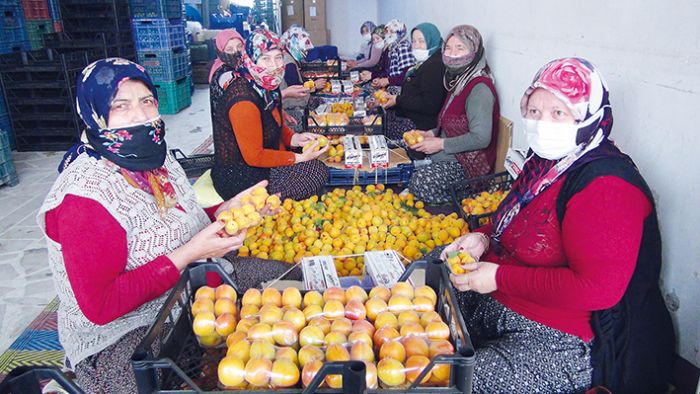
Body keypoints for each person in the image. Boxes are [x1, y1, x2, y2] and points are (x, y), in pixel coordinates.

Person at [38, 58, 300, 393]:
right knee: (157, 381)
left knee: (290, 279)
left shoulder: (158, 161)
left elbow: (183, 223)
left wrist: (229, 209)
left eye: (147, 101)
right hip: (126, 328)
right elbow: (102, 307)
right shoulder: (84, 198)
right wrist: (191, 253)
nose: (141, 116)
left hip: (189, 285)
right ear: (94, 114)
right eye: (121, 106)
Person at [439, 58, 675, 393]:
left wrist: (498, 276)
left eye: (558, 113)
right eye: (533, 111)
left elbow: (598, 291)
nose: (541, 123)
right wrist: (482, 237)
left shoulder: (607, 186)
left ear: (589, 116)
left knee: (459, 382)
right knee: (428, 290)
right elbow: (514, 220)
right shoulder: (546, 163)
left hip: (565, 339)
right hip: (504, 301)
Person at [211, 29, 329, 202]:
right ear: (250, 59)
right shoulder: (242, 100)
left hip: (259, 162)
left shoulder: (266, 87)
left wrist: (296, 138)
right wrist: (298, 158)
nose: (274, 66)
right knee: (315, 172)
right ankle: (264, 206)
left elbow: (275, 124)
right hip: (240, 175)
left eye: (278, 57)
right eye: (265, 58)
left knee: (313, 162)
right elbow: (254, 156)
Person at [407, 25, 499, 204]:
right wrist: (432, 133)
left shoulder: (479, 87)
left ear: (474, 51)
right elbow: (449, 121)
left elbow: (481, 138)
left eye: (460, 48)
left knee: (421, 182)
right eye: (448, 48)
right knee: (409, 158)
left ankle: (468, 198)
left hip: (469, 164)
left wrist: (440, 143)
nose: (452, 54)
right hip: (450, 153)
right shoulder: (456, 79)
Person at [381, 22, 447, 140]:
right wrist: (396, 100)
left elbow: (428, 105)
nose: (416, 45)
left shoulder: (434, 66)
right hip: (411, 113)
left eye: (421, 41)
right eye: (414, 41)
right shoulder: (425, 62)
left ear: (432, 40)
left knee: (383, 128)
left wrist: (398, 99)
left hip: (420, 125)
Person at [360, 19, 416, 90]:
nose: (388, 34)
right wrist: (378, 79)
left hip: (402, 89)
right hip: (392, 85)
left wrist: (387, 80)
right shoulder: (393, 47)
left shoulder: (403, 47)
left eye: (392, 31)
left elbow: (408, 76)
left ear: (400, 33)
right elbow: (388, 72)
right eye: (386, 31)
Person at [209, 29, 244, 121]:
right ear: (221, 51)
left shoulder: (242, 67)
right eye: (229, 49)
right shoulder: (225, 74)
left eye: (240, 46)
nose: (236, 52)